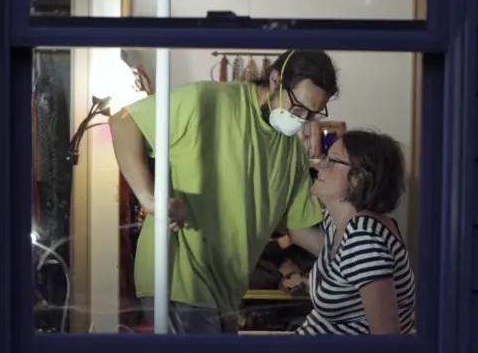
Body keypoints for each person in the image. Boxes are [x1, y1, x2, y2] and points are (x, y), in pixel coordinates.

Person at [109, 50, 338, 334]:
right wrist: (149, 198)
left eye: (310, 115)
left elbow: (301, 229)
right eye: (298, 108)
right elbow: (123, 121)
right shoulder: (209, 101)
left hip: (227, 293)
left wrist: (355, 253)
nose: (300, 120)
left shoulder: (292, 152)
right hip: (179, 279)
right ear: (276, 79)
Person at [297, 130, 416, 335]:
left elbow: (386, 336)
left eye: (332, 161)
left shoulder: (364, 238)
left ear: (358, 179)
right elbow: (298, 231)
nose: (318, 166)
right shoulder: (337, 224)